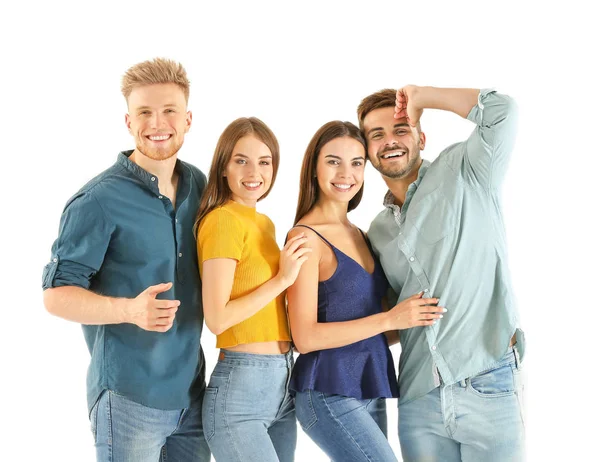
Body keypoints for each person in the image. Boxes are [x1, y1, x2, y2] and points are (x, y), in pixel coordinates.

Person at [42, 58, 210, 461]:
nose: (158, 123)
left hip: (192, 395)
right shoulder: (97, 200)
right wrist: (129, 310)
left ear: (188, 119)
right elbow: (55, 295)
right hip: (129, 397)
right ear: (128, 122)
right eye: (145, 113)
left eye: (169, 110)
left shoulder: (198, 185)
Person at [357, 85, 526, 461]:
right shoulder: (376, 232)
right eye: (377, 135)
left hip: (487, 379)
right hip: (419, 398)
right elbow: (387, 319)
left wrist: (420, 97)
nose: (390, 142)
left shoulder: (466, 169)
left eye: (401, 129)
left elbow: (503, 110)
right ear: (368, 152)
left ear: (421, 136)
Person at [286, 120, 445, 462]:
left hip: (368, 385)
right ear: (313, 167)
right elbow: (305, 338)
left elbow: (369, 324)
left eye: (357, 162)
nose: (347, 173)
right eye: (333, 161)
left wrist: (410, 319)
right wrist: (390, 318)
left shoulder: (362, 233)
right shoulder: (305, 238)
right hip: (327, 392)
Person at [195, 117, 310, 462]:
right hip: (240, 390)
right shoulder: (221, 220)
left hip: (281, 381)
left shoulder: (264, 222)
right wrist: (282, 280)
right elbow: (217, 319)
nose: (254, 172)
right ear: (224, 168)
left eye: (264, 161)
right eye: (241, 160)